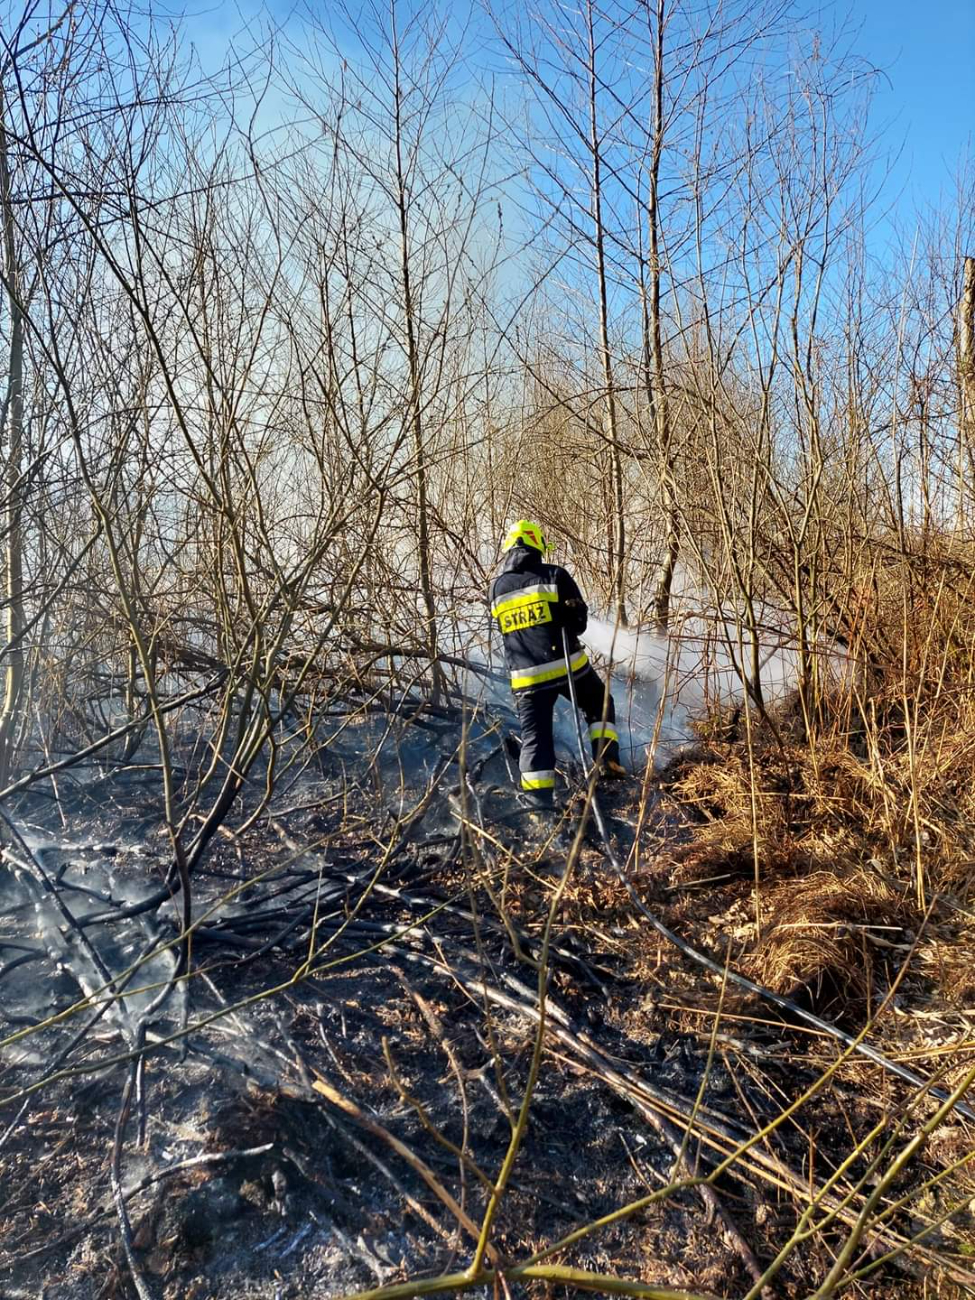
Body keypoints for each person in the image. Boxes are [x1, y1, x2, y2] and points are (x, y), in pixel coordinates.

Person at [488, 519, 626, 809]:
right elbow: (579, 623)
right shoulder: (554, 575)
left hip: (525, 679)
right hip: (565, 667)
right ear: (537, 546)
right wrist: (567, 615)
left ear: (509, 549)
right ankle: (607, 762)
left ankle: (537, 806)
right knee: (599, 702)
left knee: (535, 739)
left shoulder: (496, 588)